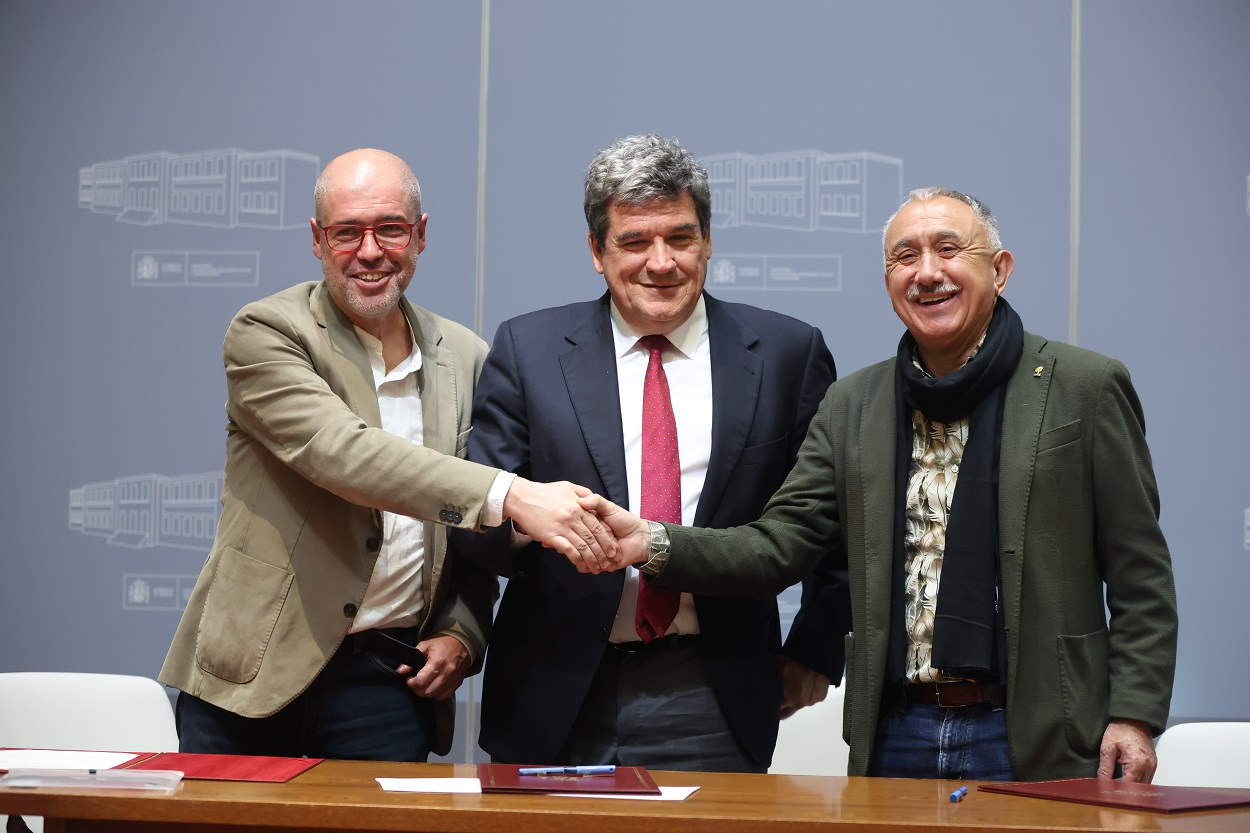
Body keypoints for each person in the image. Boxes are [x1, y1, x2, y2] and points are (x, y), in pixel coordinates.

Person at [584, 187, 1178, 782]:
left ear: (999, 270)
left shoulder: (1083, 387)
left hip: (1040, 728)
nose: (927, 273)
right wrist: (652, 543)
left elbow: (1139, 571)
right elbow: (778, 543)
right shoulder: (854, 405)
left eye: (949, 249)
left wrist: (1133, 714)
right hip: (898, 732)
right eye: (904, 257)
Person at [159, 148, 615, 761]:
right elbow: (343, 455)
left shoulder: (469, 357)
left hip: (389, 684)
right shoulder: (267, 332)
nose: (370, 251)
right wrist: (510, 493)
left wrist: (463, 630)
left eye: (390, 229)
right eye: (347, 232)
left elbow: (474, 540)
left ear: (420, 236)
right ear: (318, 240)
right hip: (252, 678)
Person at [449, 135, 849, 773]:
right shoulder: (530, 348)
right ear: (596, 252)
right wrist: (534, 522)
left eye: (680, 238)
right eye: (634, 242)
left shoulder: (785, 353)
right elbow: (472, 521)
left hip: (715, 688)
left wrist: (818, 648)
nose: (660, 263)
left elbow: (833, 523)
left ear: (708, 240)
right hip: (552, 689)